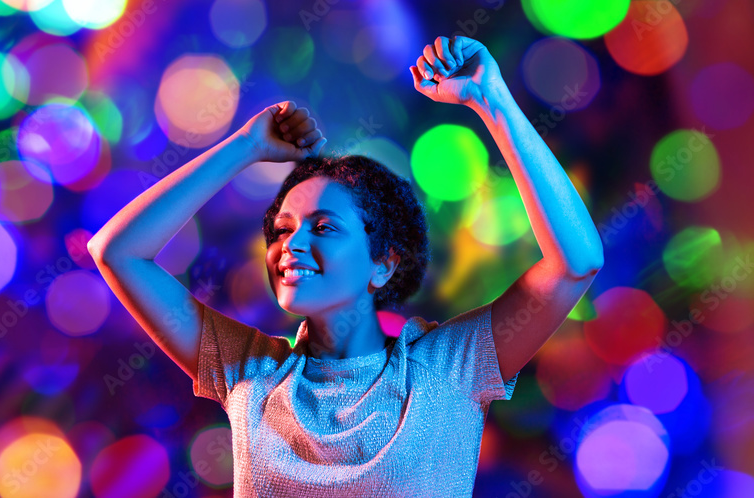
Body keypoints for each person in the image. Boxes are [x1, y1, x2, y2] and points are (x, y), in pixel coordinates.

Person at [88, 35, 604, 496]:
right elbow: (116, 251)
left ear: (383, 264)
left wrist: (493, 101)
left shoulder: (451, 369)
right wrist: (244, 147)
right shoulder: (249, 373)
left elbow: (576, 264)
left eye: (324, 226)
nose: (289, 244)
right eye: (281, 228)